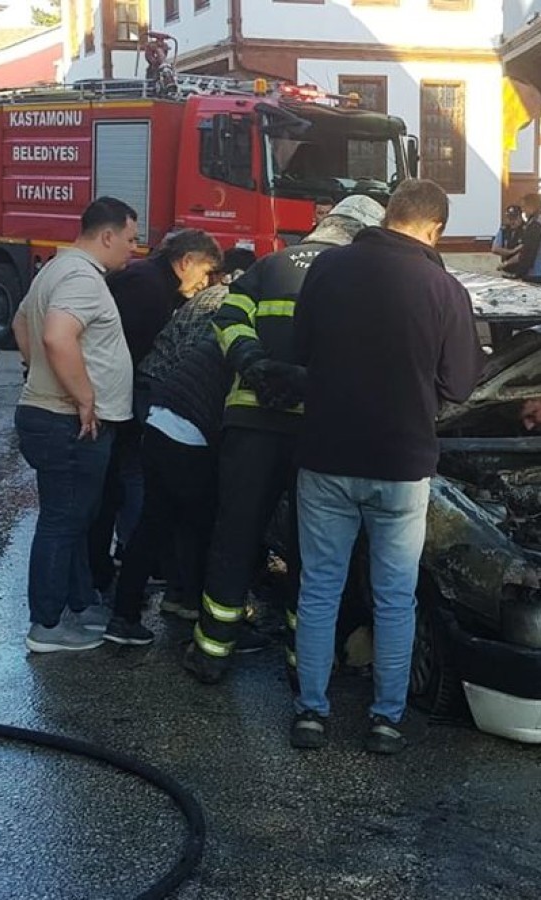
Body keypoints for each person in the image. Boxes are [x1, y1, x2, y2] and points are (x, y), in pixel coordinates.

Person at [289, 178, 482, 754]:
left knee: (320, 589)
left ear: (388, 213)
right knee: (396, 597)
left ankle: (311, 713)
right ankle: (385, 720)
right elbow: (460, 383)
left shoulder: (326, 270)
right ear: (434, 229)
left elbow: (302, 351)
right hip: (401, 464)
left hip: (325, 456)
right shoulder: (444, 289)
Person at [182, 194, 387, 685]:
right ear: (361, 233)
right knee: (310, 549)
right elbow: (361, 351)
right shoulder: (359, 276)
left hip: (251, 424)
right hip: (317, 430)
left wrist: (253, 365)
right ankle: (305, 663)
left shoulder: (268, 266)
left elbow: (227, 320)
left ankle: (212, 651)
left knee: (235, 536)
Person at [103, 247, 256, 645]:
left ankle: (126, 616)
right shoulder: (245, 323)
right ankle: (207, 616)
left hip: (160, 416)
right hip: (187, 431)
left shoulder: (220, 305)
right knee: (209, 528)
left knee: (158, 522)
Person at [11, 197, 139, 653]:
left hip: (51, 413)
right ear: (107, 236)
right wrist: (84, 396)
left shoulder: (56, 269)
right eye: (129, 238)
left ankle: (79, 605)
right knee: (63, 521)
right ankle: (46, 625)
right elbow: (54, 334)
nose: (133, 249)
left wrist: (38, 370)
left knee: (74, 518)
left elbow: (21, 322)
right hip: (66, 420)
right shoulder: (83, 277)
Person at [88, 229, 222, 599]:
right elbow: (127, 350)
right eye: (204, 271)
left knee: (131, 478)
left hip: (121, 396)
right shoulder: (148, 289)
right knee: (133, 479)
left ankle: (128, 558)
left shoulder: (149, 282)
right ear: (186, 262)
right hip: (119, 397)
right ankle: (130, 559)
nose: (203, 282)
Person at [501, 192, 541, 286]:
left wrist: (519, 275)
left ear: (531, 207)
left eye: (524, 206)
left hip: (536, 274)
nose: (523, 210)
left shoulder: (535, 225)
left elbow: (528, 253)